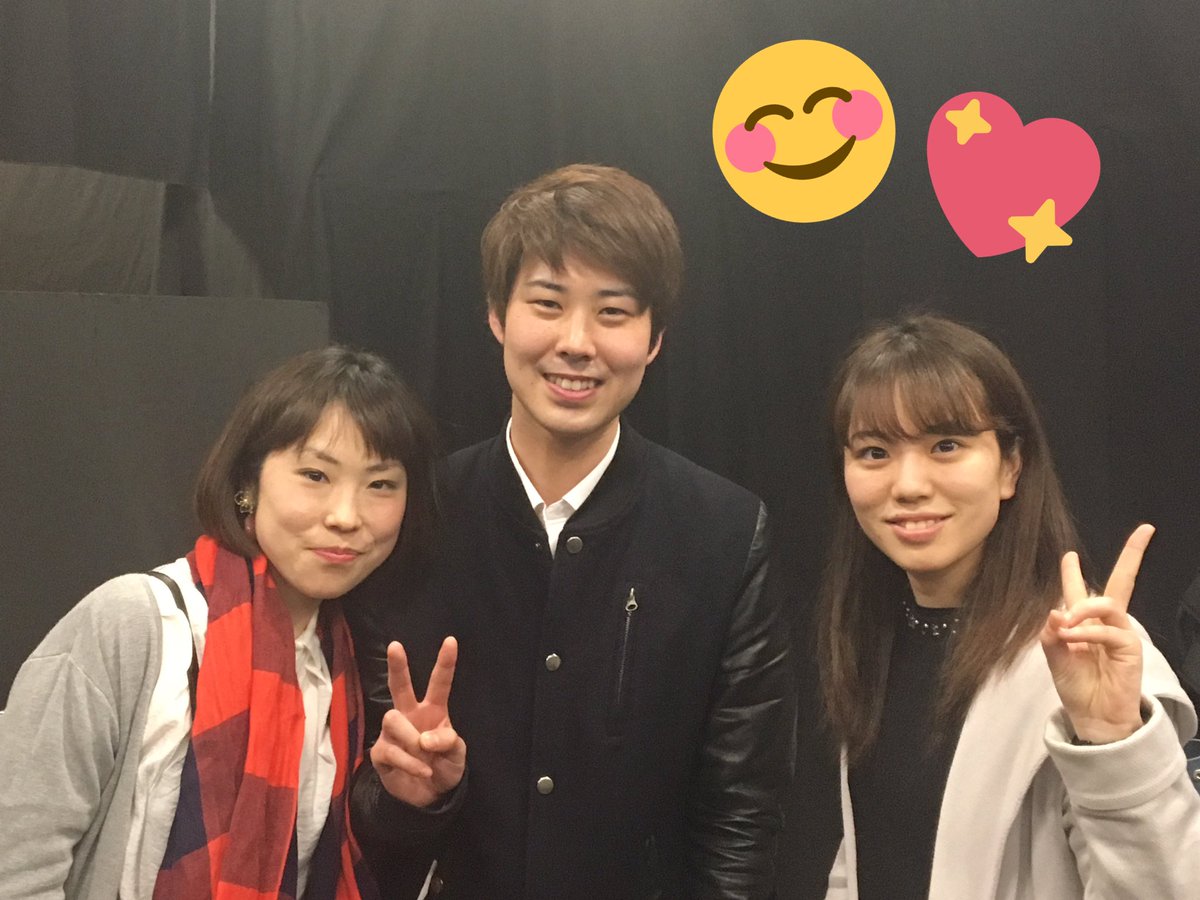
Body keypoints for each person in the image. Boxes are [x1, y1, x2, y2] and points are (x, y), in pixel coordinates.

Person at [348, 163, 793, 899]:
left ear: (654, 338)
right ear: (497, 315)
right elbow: (359, 806)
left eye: (613, 312)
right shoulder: (415, 518)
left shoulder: (724, 530)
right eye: (547, 304)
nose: (577, 342)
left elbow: (743, 811)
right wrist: (412, 797)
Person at [0, 346, 439, 900]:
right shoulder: (133, 625)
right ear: (248, 483)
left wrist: (415, 801)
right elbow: (16, 866)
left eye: (380, 485)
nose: (346, 516)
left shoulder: (345, 659)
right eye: (315, 475)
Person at [818, 313, 1200, 899]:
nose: (908, 484)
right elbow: (865, 857)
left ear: (1010, 466)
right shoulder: (877, 637)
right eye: (874, 452)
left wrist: (1112, 743)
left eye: (946, 445)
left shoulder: (1084, 658)